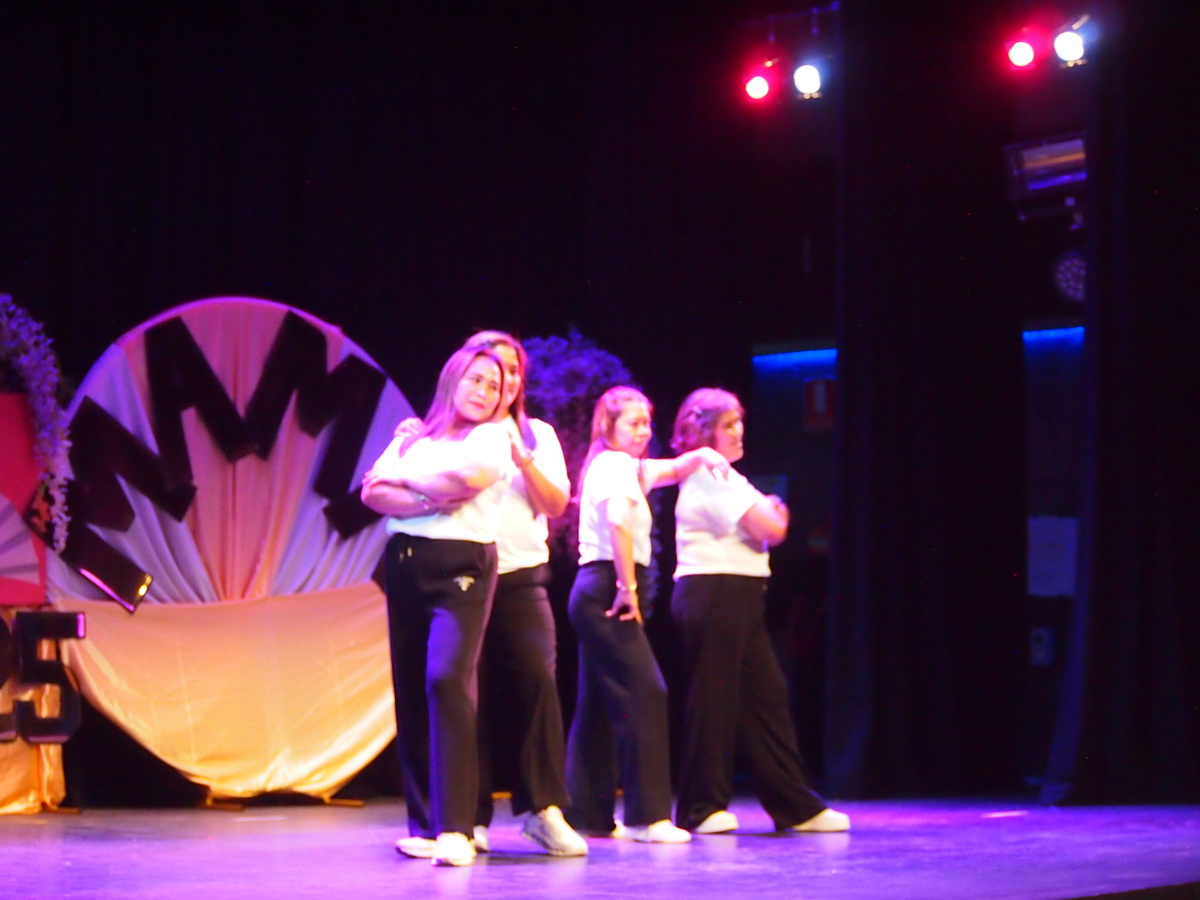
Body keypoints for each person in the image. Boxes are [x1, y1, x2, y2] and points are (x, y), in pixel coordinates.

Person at [390, 330, 587, 860]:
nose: (500, 382)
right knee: (453, 690)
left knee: (536, 680)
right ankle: (460, 818)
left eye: (511, 372)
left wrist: (523, 459)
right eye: (487, 373)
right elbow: (384, 487)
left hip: (519, 574)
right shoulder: (440, 433)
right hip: (460, 570)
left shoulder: (536, 435)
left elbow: (556, 504)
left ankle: (543, 809)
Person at [668, 388, 849, 835]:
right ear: (705, 431)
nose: (739, 431)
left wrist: (770, 514)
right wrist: (772, 511)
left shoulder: (729, 476)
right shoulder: (709, 474)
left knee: (766, 699)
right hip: (714, 588)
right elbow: (772, 525)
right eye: (728, 424)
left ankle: (795, 806)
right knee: (713, 699)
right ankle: (700, 807)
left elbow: (771, 524)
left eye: (739, 422)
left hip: (740, 595)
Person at [361, 346, 511, 867]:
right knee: (410, 689)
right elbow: (372, 493)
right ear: (452, 380)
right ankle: (426, 824)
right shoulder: (414, 438)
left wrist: (406, 482)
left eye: (494, 385)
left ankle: (456, 828)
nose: (484, 391)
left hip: (461, 566)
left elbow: (468, 482)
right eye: (475, 379)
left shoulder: (491, 437)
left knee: (446, 679)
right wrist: (430, 496)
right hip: (404, 563)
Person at [564, 386, 730, 843]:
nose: (644, 431)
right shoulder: (613, 465)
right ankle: (646, 817)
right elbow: (618, 521)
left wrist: (703, 456)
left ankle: (586, 813)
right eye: (634, 423)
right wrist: (627, 589)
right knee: (647, 692)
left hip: (597, 589)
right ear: (608, 427)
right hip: (606, 588)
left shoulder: (627, 467)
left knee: (597, 705)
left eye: (647, 423)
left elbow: (672, 468)